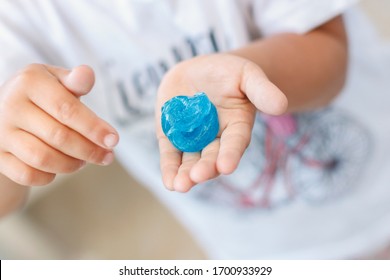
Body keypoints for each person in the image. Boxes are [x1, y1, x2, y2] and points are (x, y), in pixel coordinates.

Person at [1, 0, 390, 259]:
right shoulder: (17, 20)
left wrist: (242, 71)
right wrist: (10, 146)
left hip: (378, 186)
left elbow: (327, 56)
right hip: (260, 250)